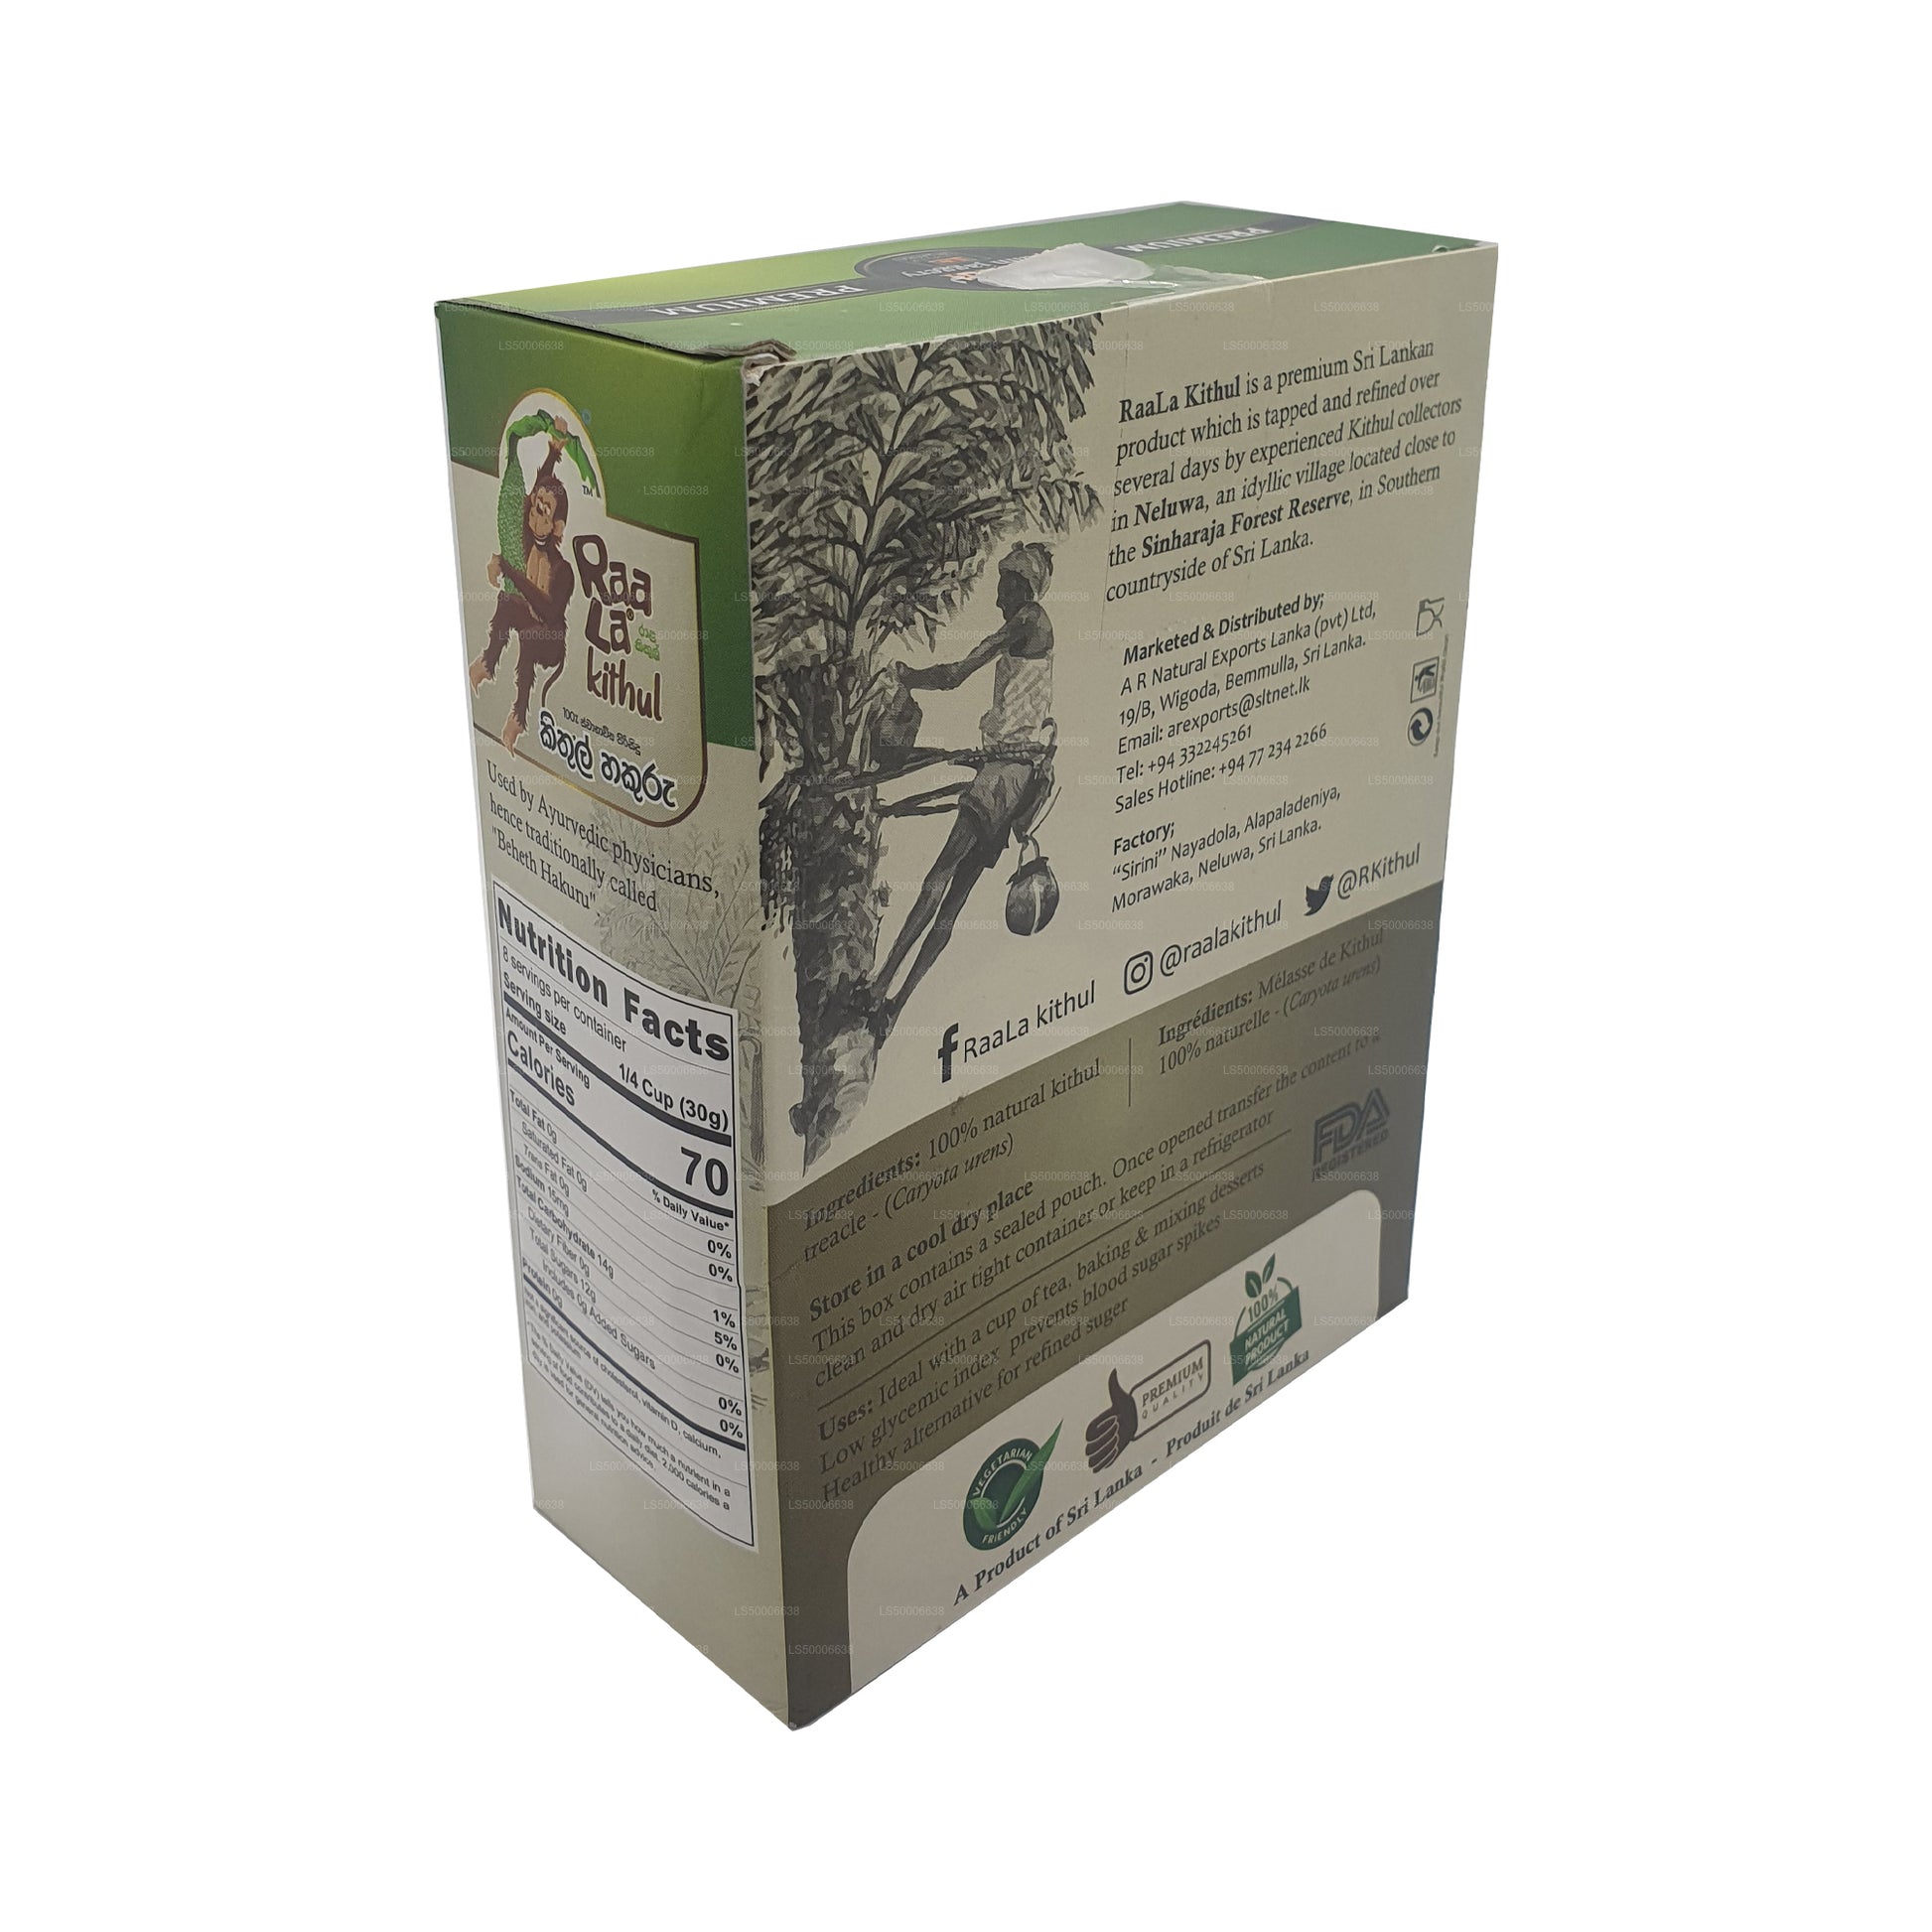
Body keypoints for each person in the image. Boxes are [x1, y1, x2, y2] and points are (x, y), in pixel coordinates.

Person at [862, 542, 1057, 1039]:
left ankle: (879, 986)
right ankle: (894, 1009)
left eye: (1004, 586)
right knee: (953, 902)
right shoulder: (1036, 629)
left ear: (1022, 585)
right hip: (1017, 777)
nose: (997, 598)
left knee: (939, 875)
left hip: (1002, 777)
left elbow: (955, 676)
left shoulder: (1029, 620)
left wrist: (907, 676)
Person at [470, 423, 577, 751]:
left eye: (543, 513)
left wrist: (510, 571)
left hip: (551, 642)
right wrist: (553, 452)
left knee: (531, 637)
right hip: (528, 614)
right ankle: (488, 663)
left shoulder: (563, 570)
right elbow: (540, 486)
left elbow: (547, 611)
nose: (533, 515)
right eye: (534, 507)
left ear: (556, 527)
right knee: (506, 602)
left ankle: (518, 716)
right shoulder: (528, 540)